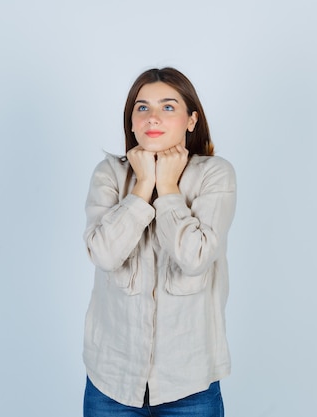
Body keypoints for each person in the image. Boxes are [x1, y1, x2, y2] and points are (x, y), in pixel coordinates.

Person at [82, 67, 237, 417]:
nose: (153, 117)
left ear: (191, 120)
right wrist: (141, 186)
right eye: (142, 108)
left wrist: (166, 188)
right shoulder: (109, 174)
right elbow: (104, 253)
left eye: (168, 107)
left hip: (190, 384)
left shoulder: (215, 174)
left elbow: (194, 257)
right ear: (132, 122)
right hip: (111, 382)